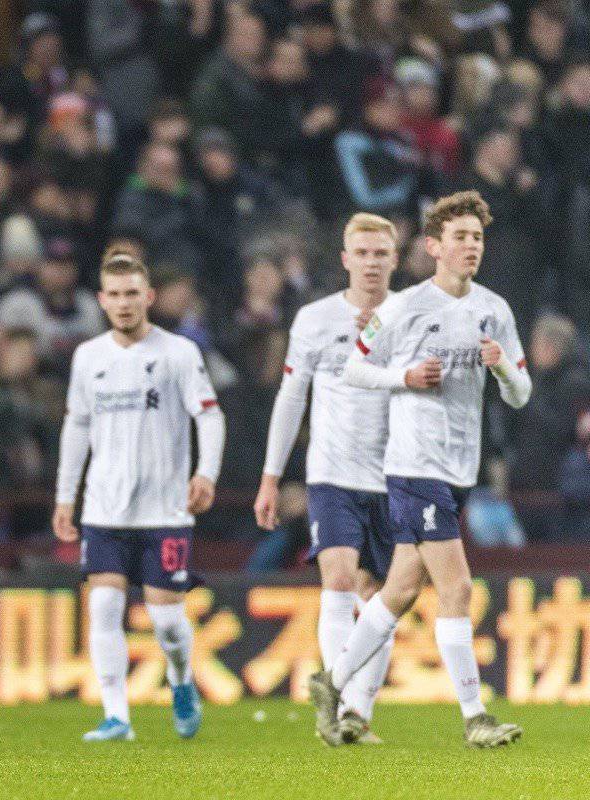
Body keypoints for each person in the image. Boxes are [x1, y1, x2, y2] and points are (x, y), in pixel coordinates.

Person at [309, 190, 531, 748]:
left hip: (457, 469)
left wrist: (502, 369)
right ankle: (476, 717)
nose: (470, 246)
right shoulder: (401, 308)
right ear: (433, 246)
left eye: (477, 237)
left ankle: (330, 683)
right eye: (459, 237)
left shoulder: (494, 309)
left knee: (401, 588)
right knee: (456, 588)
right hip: (412, 466)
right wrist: (402, 378)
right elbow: (353, 369)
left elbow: (522, 395)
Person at [52, 253, 225, 742]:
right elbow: (77, 426)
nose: (124, 303)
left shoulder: (178, 353)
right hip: (105, 507)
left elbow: (209, 415)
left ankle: (181, 680)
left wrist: (205, 473)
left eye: (133, 294)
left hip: (165, 508)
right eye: (115, 294)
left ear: (148, 297)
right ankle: (116, 716)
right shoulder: (88, 357)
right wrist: (67, 496)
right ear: (102, 300)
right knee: (103, 608)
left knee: (167, 621)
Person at [254, 213, 400, 744]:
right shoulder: (314, 319)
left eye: (380, 253)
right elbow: (291, 397)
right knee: (338, 579)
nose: (370, 262)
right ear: (344, 259)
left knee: (381, 597)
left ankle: (357, 710)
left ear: (394, 258)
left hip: (393, 476)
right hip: (332, 473)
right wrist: (271, 478)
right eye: (361, 253)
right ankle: (337, 711)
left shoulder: (412, 318)